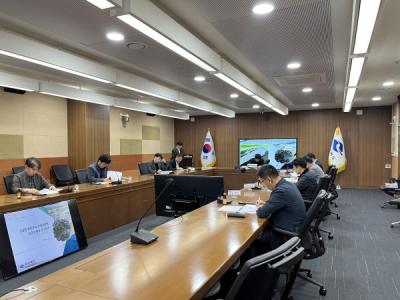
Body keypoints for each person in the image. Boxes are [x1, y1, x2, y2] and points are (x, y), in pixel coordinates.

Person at [255, 165, 306, 252]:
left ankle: (259, 263)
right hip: (294, 226)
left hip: (284, 233)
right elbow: (280, 204)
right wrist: (267, 204)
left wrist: (260, 207)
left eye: (261, 182)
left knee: (253, 242)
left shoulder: (281, 191)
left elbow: (261, 213)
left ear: (269, 180)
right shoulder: (287, 184)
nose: (263, 185)